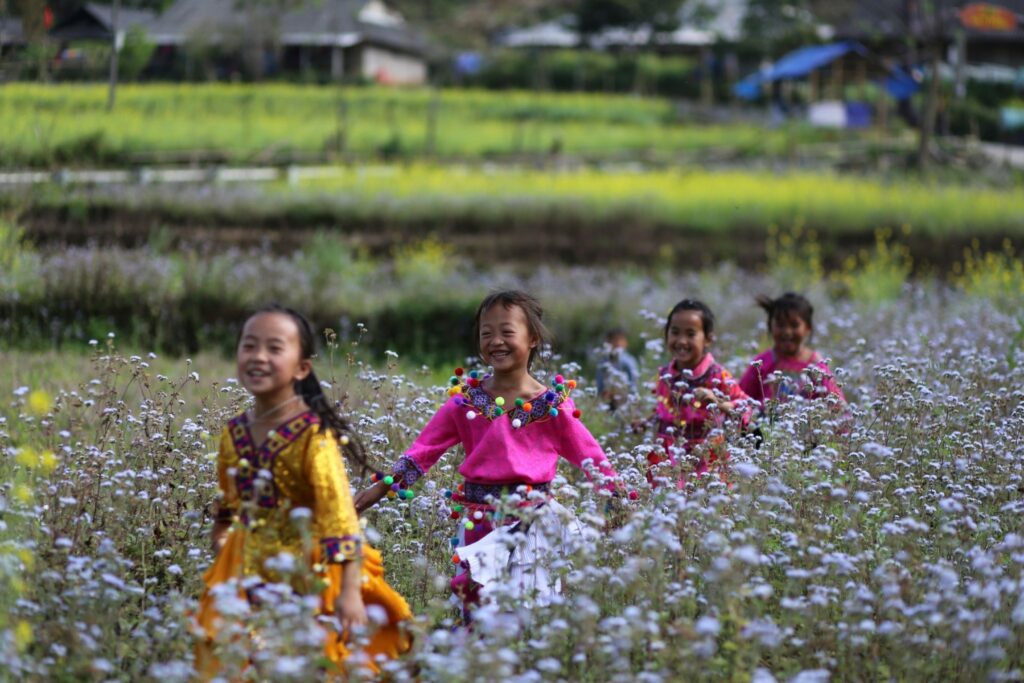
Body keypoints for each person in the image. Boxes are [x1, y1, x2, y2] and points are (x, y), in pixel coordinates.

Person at [354, 290, 619, 619]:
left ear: (533, 338)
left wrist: (617, 500)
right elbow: (422, 452)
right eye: (486, 333)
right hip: (477, 523)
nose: (496, 341)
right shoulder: (464, 401)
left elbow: (591, 458)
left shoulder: (552, 405)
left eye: (507, 332)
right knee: (478, 609)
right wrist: (379, 489)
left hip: (533, 524)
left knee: (531, 610)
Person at [195, 305, 410, 678]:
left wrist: (347, 593)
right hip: (245, 570)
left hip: (309, 576)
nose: (258, 357)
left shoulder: (314, 436)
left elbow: (339, 516)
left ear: (301, 368)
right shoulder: (234, 432)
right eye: (249, 346)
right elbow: (229, 499)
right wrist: (222, 539)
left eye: (274, 348)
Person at [644, 299, 751, 485]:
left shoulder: (717, 374)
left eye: (691, 334)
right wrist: (647, 421)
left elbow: (746, 407)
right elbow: (666, 411)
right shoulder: (664, 374)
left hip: (706, 460)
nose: (681, 341)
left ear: (708, 338)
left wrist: (717, 402)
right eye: (675, 332)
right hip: (667, 457)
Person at [738, 293, 846, 407]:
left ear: (807, 328)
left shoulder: (817, 365)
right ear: (770, 326)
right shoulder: (762, 363)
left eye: (794, 325)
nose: (787, 332)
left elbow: (838, 404)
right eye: (780, 325)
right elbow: (740, 399)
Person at [594, 327, 640, 410]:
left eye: (620, 340)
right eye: (613, 341)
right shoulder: (603, 362)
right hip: (607, 403)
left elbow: (634, 384)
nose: (617, 344)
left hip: (625, 402)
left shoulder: (628, 362)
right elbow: (599, 385)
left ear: (625, 343)